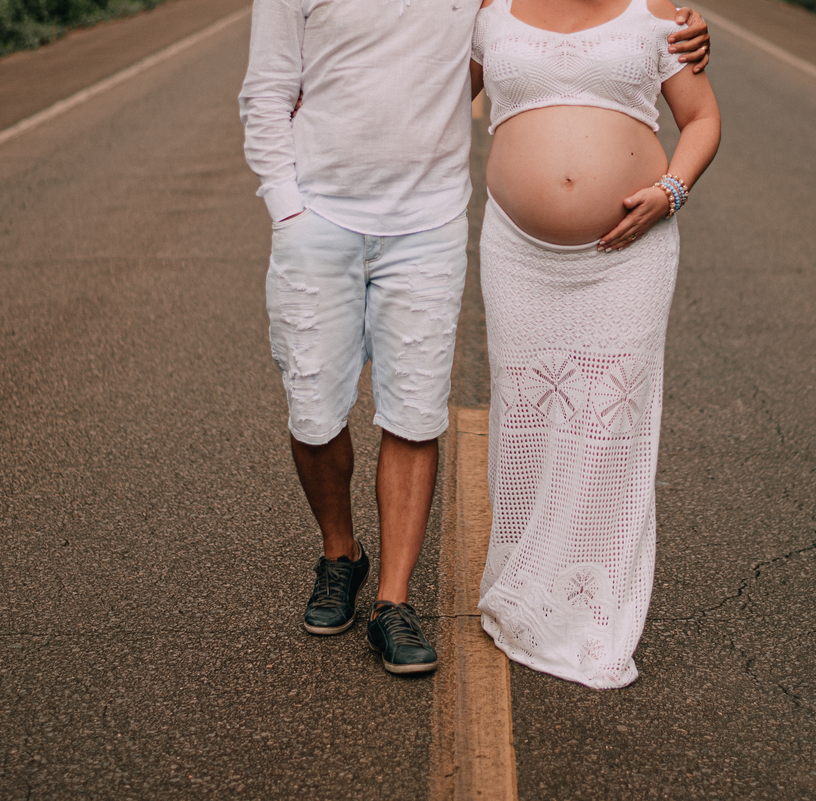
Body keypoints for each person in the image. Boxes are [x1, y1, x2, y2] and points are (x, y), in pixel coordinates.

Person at [239, 0, 711, 676]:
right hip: (328, 218)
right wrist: (290, 206)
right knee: (318, 414)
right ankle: (344, 553)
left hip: (443, 227)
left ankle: (400, 603)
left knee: (425, 413)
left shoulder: (507, 1)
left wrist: (684, 43)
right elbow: (285, 89)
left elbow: (677, 93)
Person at [470, 0, 721, 687]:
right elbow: (428, 97)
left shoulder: (658, 12)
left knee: (609, 425)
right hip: (518, 253)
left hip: (628, 255)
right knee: (525, 417)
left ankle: (589, 602)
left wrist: (671, 190)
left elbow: (702, 118)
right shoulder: (489, 10)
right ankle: (524, 582)